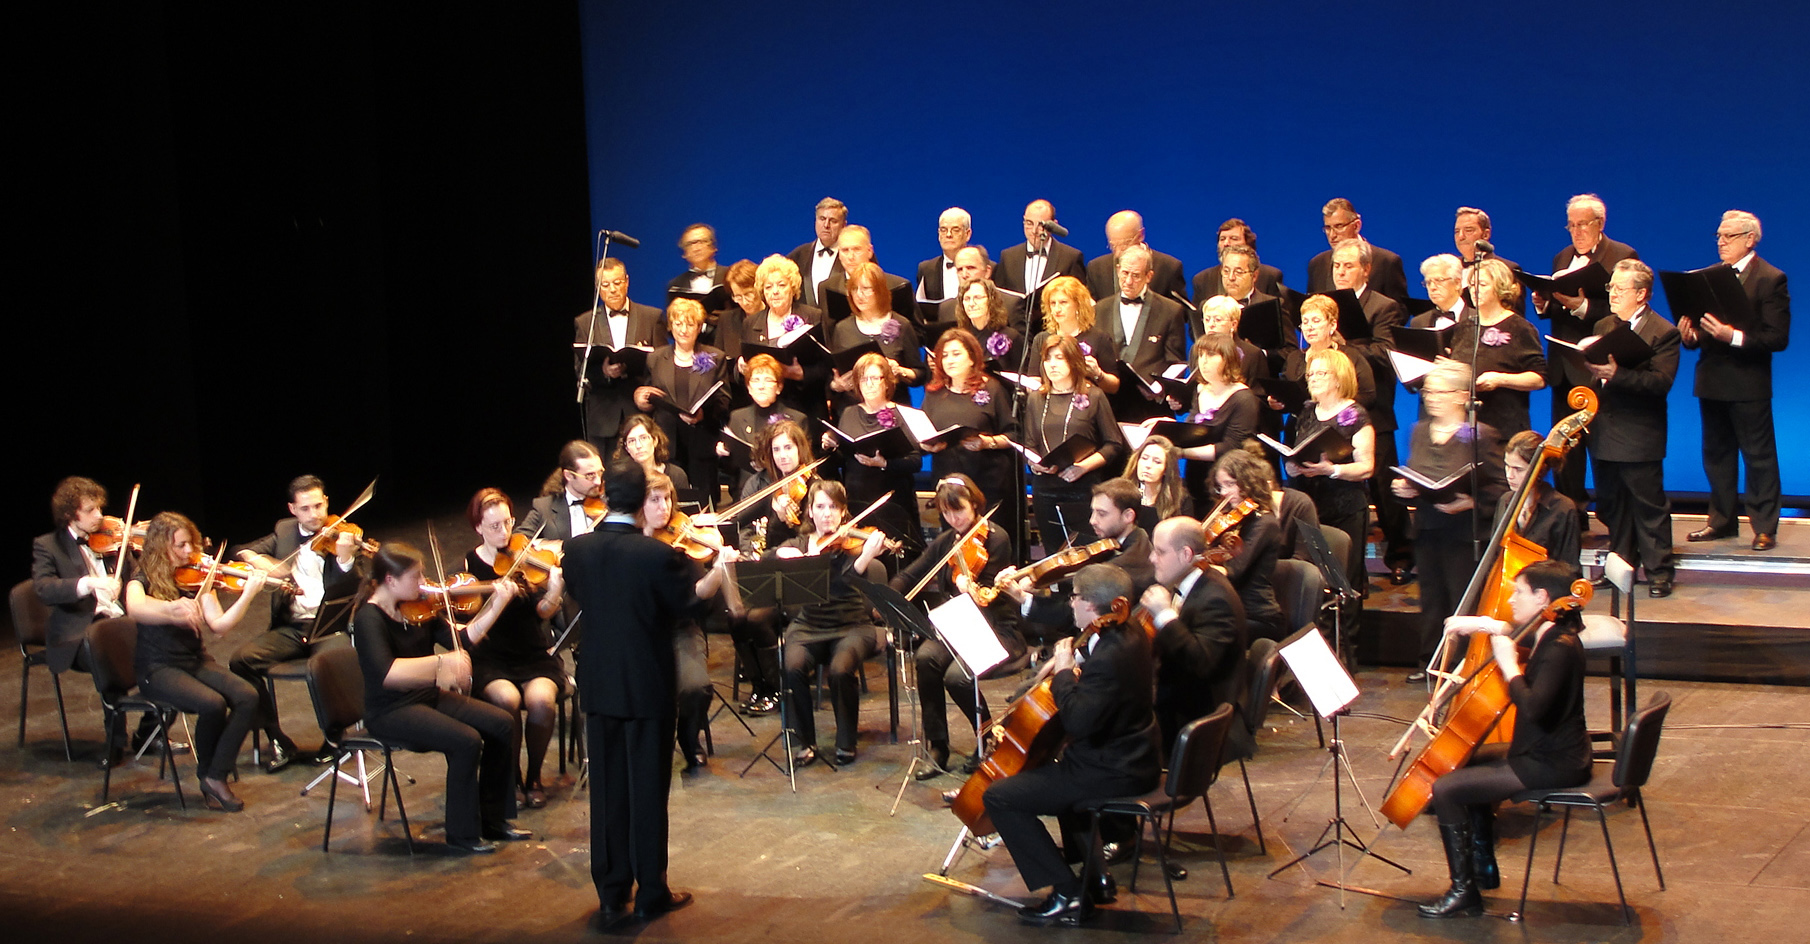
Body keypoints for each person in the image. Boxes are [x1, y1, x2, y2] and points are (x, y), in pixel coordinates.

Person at [563, 459, 720, 925]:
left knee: (607, 790)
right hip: (647, 683)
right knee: (648, 789)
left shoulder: (577, 550)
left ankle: (612, 892)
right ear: (639, 505)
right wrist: (715, 575)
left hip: (599, 683)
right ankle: (651, 890)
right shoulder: (656, 555)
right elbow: (686, 605)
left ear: (606, 496)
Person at [982, 564, 1161, 927]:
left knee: (1000, 797)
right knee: (1054, 775)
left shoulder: (1110, 655)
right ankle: (1096, 879)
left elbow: (1078, 721)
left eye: (1074, 597)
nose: (1071, 603)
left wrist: (1064, 671)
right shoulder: (1129, 631)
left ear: (1092, 605)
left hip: (1111, 770)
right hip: (1134, 756)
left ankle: (1067, 895)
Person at [1419, 559, 1590, 919]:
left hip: (1553, 762)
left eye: (1519, 592)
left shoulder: (1560, 647)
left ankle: (1463, 892)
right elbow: (1520, 634)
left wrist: (1509, 666)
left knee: (1446, 789)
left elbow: (1533, 708)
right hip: (1545, 750)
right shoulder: (1552, 630)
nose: (1511, 600)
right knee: (1467, 758)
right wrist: (1487, 626)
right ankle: (1482, 866)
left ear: (1542, 597)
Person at [352, 542, 526, 852]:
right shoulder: (369, 619)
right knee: (466, 740)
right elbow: (387, 674)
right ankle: (462, 835)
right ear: (391, 580)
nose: (424, 584)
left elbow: (463, 640)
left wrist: (497, 604)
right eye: (416, 577)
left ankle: (493, 820)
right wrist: (440, 665)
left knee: (501, 723)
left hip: (426, 697)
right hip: (390, 709)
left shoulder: (419, 608)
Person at [123, 512, 265, 811]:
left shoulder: (198, 576)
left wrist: (248, 596)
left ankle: (214, 775)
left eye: (191, 543)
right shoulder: (142, 578)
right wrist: (171, 609)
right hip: (157, 668)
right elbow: (135, 607)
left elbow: (219, 625)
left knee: (248, 696)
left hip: (194, 660)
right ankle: (212, 778)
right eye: (180, 545)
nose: (189, 551)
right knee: (212, 704)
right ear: (161, 546)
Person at [889, 475, 1026, 778]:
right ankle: (938, 746)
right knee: (925, 658)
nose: (954, 519)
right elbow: (912, 573)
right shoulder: (947, 541)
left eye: (959, 510)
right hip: (958, 624)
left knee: (958, 677)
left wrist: (968, 587)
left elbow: (989, 595)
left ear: (975, 504)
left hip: (994, 626)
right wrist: (889, 594)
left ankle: (987, 739)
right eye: (947, 513)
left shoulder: (996, 538)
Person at [230, 475, 364, 772]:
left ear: (326, 501)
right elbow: (240, 549)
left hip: (330, 625)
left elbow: (355, 588)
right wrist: (260, 561)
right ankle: (278, 739)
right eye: (305, 508)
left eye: (318, 506)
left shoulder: (344, 534)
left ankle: (334, 740)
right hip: (292, 627)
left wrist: (345, 561)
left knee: (327, 666)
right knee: (241, 661)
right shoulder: (284, 531)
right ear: (293, 509)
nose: (314, 514)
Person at [30, 476, 165, 761]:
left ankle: (149, 734)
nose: (100, 516)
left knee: (170, 650)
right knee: (105, 655)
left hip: (122, 623)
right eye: (90, 510)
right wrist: (89, 584)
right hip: (79, 632)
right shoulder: (48, 546)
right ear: (70, 514)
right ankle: (115, 743)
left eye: (100, 508)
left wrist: (140, 573)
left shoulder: (112, 540)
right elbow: (44, 588)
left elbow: (137, 576)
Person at [1680, 210, 1791, 552]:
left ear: (1750, 239)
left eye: (1728, 236)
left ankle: (1764, 527)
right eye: (1718, 236)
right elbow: (1701, 330)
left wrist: (1734, 337)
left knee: (1759, 457)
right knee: (1717, 455)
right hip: (1712, 379)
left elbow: (1777, 337)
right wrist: (1690, 336)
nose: (1721, 242)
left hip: (1748, 382)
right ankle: (1721, 521)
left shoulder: (1771, 279)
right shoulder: (1708, 277)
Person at [1391, 361, 1506, 680]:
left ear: (1460, 396)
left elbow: (1501, 487)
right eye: (1428, 392)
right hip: (1428, 529)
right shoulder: (1419, 431)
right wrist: (1404, 488)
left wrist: (1471, 502)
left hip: (1464, 532)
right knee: (1431, 599)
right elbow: (1414, 472)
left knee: (1461, 600)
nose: (1431, 398)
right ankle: (1430, 665)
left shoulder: (1480, 434)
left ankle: (1464, 666)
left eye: (1439, 392)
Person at [1532, 193, 1640, 528]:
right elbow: (1557, 307)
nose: (1576, 232)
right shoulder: (1562, 257)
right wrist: (1543, 304)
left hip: (1597, 366)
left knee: (1602, 446)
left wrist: (1581, 307)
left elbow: (1623, 311)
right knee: (1566, 449)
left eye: (1583, 225)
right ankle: (1572, 518)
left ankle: (1613, 519)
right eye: (1571, 225)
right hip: (1564, 367)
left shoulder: (1622, 255)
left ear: (1600, 223)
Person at [770, 480, 890, 767]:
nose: (827, 514)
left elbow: (845, 580)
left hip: (851, 625)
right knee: (793, 666)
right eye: (821, 507)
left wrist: (866, 556)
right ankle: (805, 741)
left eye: (834, 507)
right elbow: (769, 557)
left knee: (840, 670)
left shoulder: (851, 546)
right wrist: (784, 555)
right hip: (808, 625)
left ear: (843, 511)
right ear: (810, 511)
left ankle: (846, 741)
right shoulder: (801, 544)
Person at [463, 488, 568, 808]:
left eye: (508, 522)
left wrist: (554, 591)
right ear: (478, 527)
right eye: (494, 526)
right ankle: (511, 777)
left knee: (542, 701)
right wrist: (496, 601)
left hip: (532, 653)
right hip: (490, 657)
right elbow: (470, 623)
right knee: (506, 699)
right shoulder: (470, 564)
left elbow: (543, 612)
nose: (504, 532)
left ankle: (534, 777)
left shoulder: (526, 557)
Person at [1588, 259, 1680, 596]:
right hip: (1604, 429)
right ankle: (1620, 566)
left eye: (1619, 288)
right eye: (1610, 287)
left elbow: (1660, 382)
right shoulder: (1603, 325)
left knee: (1648, 506)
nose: (1612, 294)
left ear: (1641, 294)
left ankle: (1659, 571)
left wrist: (1618, 375)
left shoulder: (1663, 331)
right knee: (1613, 505)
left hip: (1639, 433)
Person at [638, 472, 736, 776]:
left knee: (697, 687)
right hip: (641, 633)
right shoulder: (630, 545)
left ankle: (688, 737)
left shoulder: (684, 543)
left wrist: (718, 570)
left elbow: (699, 597)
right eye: (655, 500)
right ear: (639, 505)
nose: (664, 507)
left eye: (667, 499)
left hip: (680, 629)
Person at [1329, 237, 1412, 584]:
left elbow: (1385, 354)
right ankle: (1345, 562)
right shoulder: (1327, 304)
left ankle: (1401, 555)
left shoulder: (1384, 307)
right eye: (1337, 266)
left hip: (1374, 409)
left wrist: (1347, 345)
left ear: (1366, 269)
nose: (1340, 272)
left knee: (1384, 488)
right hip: (1334, 411)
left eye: (1348, 266)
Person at [724, 418, 817, 715]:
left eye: (788, 447)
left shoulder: (815, 487)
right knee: (735, 616)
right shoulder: (765, 485)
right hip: (768, 568)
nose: (783, 455)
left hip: (802, 576)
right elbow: (746, 527)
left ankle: (778, 690)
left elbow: (808, 538)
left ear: (800, 449)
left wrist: (778, 519)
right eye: (777, 449)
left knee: (757, 619)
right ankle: (760, 686)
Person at [1142, 517, 1251, 757]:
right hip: (1181, 699)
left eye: (1160, 552)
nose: (1151, 558)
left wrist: (1164, 616)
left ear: (1186, 554)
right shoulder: (1191, 582)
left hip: (1196, 718)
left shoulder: (1216, 599)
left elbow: (1201, 662)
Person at [1003, 477, 1158, 633]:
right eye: (1093, 512)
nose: (1092, 520)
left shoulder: (1127, 563)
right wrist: (1041, 585)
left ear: (1128, 516)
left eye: (1102, 514)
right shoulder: (1132, 540)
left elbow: (1075, 612)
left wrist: (1023, 597)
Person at [921, 327, 1022, 558]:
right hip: (950, 486)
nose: (949, 360)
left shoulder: (992, 388)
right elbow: (922, 437)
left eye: (956, 354)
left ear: (972, 357)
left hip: (988, 482)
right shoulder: (934, 393)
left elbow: (1014, 434)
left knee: (992, 548)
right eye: (945, 355)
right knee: (957, 551)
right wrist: (927, 446)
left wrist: (988, 442)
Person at [1022, 334, 1126, 553]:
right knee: (1053, 553)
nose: (1052, 364)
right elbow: (1029, 443)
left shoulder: (1094, 395)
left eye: (1059, 358)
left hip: (1083, 486)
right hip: (1045, 488)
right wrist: (1034, 464)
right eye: (1047, 359)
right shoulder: (1036, 399)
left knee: (1086, 551)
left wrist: (1083, 467)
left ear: (1074, 361)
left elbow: (1113, 443)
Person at [1285, 349, 1377, 595]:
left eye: (1321, 373)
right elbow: (1296, 450)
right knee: (1314, 581)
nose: (1313, 378)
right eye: (1310, 374)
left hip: (1344, 507)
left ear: (1339, 378)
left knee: (1345, 582)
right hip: (1310, 506)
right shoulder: (1306, 411)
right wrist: (1292, 466)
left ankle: (1348, 622)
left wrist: (1332, 470)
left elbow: (1366, 467)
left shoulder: (1356, 415)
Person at [826, 350, 924, 557]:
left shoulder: (902, 414)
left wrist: (884, 464)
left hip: (893, 503)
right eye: (863, 379)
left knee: (896, 560)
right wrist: (832, 446)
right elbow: (844, 458)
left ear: (886, 382)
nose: (868, 384)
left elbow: (915, 462)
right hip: (858, 502)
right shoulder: (849, 413)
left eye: (874, 378)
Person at [637, 297, 731, 501]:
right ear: (670, 326)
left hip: (702, 441)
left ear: (699, 327)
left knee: (704, 502)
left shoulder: (715, 356)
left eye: (690, 324)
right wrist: (642, 399)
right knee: (669, 500)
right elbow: (650, 396)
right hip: (667, 443)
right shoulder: (656, 358)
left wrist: (704, 414)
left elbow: (724, 400)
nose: (683, 330)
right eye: (678, 324)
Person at [1450, 258, 1547, 443]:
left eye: (1482, 284)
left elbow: (1540, 378)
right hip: (1465, 428)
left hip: (1504, 427)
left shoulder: (1520, 328)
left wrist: (1500, 379)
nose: (1475, 290)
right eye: (1472, 285)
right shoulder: (1464, 327)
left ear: (1500, 288)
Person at [577, 257, 665, 459]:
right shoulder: (585, 322)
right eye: (605, 285)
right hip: (603, 415)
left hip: (641, 411)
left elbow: (663, 365)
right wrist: (605, 373)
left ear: (627, 281)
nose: (612, 290)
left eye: (617, 283)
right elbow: (579, 370)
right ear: (598, 288)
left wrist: (648, 392)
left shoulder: (651, 317)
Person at [1096, 246, 1189, 423]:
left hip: (1150, 407)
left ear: (1149, 276)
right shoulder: (1100, 309)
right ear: (1118, 270)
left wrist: (1161, 389)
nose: (1128, 281)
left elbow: (1175, 362)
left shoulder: (1171, 311)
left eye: (1136, 275)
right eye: (1125, 273)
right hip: (1108, 405)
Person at [829, 260, 927, 418]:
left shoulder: (902, 325)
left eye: (866, 289)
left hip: (893, 412)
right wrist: (836, 385)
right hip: (854, 413)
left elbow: (920, 374)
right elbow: (831, 376)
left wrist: (900, 371)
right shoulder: (842, 328)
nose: (859, 295)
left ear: (880, 291)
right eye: (854, 289)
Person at [1174, 333, 1261, 507]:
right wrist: (1164, 424)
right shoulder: (1201, 390)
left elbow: (1231, 447)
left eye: (1211, 355)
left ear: (1228, 359)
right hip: (1196, 479)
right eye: (1201, 355)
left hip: (1227, 484)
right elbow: (1191, 429)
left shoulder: (1244, 398)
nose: (1203, 361)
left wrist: (1182, 453)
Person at [1208, 449, 1287, 642]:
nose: (1224, 493)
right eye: (1221, 487)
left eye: (1230, 484)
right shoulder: (1231, 519)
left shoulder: (1265, 523)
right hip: (1229, 607)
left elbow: (1233, 571)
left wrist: (1194, 565)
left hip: (1258, 616)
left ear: (1249, 482)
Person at [743, 254, 829, 424]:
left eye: (781, 285)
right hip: (765, 411)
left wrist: (801, 374)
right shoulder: (751, 323)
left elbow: (827, 367)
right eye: (768, 287)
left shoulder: (813, 316)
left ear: (793, 288)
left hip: (806, 407)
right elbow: (743, 370)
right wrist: (741, 368)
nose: (775, 291)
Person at [1496, 431, 1581, 572]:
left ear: (1539, 470)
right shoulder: (1505, 501)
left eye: (1518, 469)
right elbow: (1496, 555)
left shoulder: (1562, 508)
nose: (1509, 475)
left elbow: (1570, 566)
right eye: (1507, 466)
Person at [720, 353, 806, 492]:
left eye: (768, 380)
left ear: (779, 387)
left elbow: (803, 463)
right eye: (755, 380)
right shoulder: (737, 417)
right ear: (749, 387)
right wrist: (724, 454)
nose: (761, 386)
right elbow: (731, 470)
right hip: (746, 492)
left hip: (785, 491)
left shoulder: (796, 419)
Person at [1028, 275, 1120, 397]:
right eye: (1053, 303)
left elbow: (1114, 387)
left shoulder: (1099, 338)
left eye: (1063, 302)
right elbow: (1034, 379)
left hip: (1086, 403)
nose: (1057, 309)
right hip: (1051, 403)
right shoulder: (1041, 339)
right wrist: (1033, 386)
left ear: (1078, 304)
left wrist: (1098, 374)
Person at [1306, 198, 1409, 303]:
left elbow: (1399, 308)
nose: (1332, 235)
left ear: (1356, 226)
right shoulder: (1317, 264)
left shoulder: (1386, 262)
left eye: (1339, 226)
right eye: (1328, 228)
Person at [817, 224, 916, 324]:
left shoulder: (898, 286)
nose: (850, 257)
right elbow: (827, 330)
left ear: (869, 251)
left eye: (857, 249)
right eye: (845, 250)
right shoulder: (826, 287)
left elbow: (916, 330)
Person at [1083, 210, 1188, 302]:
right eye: (1113, 245)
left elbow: (1180, 312)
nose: (1118, 252)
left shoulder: (1169, 267)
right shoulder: (1096, 268)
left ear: (1141, 235)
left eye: (1125, 244)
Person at [516, 440, 604, 549]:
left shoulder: (609, 501)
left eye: (600, 472)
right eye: (590, 475)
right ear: (569, 475)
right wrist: (547, 545)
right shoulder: (544, 507)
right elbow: (518, 540)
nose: (598, 482)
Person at [996, 199, 1086, 296]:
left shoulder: (1070, 257)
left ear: (1054, 225)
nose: (1034, 231)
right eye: (1029, 223)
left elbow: (1080, 298)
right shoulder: (1008, 256)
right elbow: (999, 297)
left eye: (1041, 225)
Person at [1191, 218, 1286, 303]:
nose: (1226, 243)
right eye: (1222, 239)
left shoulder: (1270, 276)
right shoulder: (1202, 279)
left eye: (1234, 238)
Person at [1452, 207, 1524, 313]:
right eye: (1457, 231)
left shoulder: (1508, 268)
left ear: (1486, 234)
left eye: (1468, 230)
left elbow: (1515, 316)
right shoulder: (1449, 267)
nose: (1461, 236)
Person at [954, 277, 1027, 376]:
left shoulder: (1010, 336)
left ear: (991, 300)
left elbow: (1022, 375)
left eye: (977, 298)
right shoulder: (959, 338)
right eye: (967, 299)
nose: (971, 304)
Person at [1123, 435, 1194, 534]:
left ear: (1166, 469)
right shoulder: (1121, 492)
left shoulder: (1180, 499)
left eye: (1157, 462)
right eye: (1144, 458)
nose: (1148, 465)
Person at [785, 196, 847, 309]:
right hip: (805, 319)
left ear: (843, 225)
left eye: (833, 221)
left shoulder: (852, 255)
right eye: (822, 219)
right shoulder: (799, 254)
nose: (826, 225)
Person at [615, 413, 692, 493]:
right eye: (631, 441)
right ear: (626, 448)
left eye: (643, 438)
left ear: (655, 440)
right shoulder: (620, 479)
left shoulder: (676, 475)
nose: (638, 445)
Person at [917, 207, 972, 302]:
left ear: (967, 234)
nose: (948, 235)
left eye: (955, 230)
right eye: (943, 230)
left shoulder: (985, 267)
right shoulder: (926, 269)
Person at [665, 223, 726, 297]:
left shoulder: (730, 276)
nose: (696, 249)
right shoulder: (675, 285)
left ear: (714, 247)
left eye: (702, 242)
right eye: (689, 244)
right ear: (684, 253)